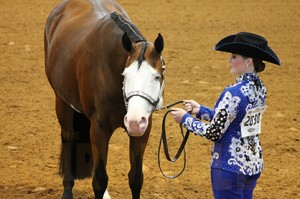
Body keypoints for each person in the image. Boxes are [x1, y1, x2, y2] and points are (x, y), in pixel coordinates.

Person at [170, 32, 280, 199]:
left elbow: (214, 132)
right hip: (252, 164)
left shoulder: (233, 92)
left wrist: (185, 119)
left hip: (229, 166)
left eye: (234, 56)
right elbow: (233, 118)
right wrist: (200, 110)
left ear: (248, 61)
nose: (229, 60)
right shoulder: (260, 88)